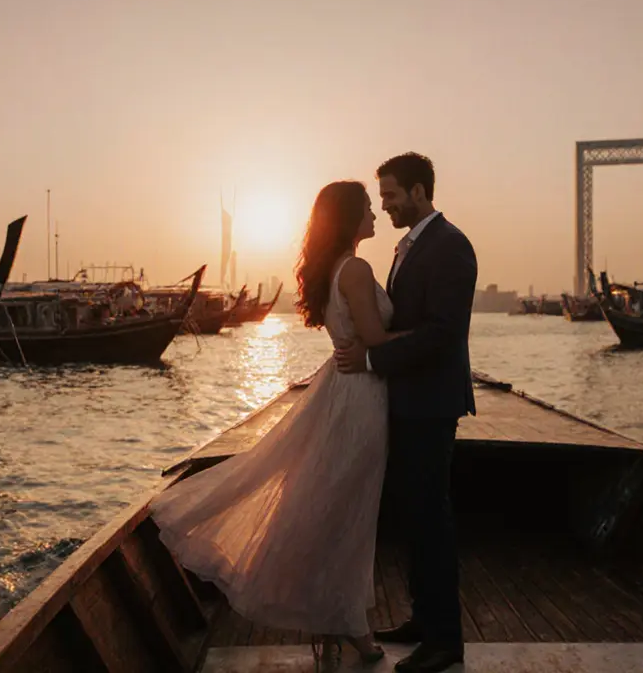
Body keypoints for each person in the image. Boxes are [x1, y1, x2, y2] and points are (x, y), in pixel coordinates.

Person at [150, 180, 397, 668]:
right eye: (367, 208)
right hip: (361, 400)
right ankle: (351, 627)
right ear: (349, 218)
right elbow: (376, 339)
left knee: (336, 506)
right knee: (348, 513)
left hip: (344, 391)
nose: (374, 215)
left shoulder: (334, 269)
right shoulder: (357, 268)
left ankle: (339, 623)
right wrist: (433, 333)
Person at [336, 152, 478, 673]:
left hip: (432, 403)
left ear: (419, 192)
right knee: (417, 518)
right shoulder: (411, 246)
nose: (385, 205)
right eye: (381, 198)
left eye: (392, 196)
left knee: (432, 519)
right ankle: (424, 620)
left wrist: (372, 357)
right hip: (407, 400)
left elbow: (443, 334)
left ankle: (445, 642)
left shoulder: (450, 246)